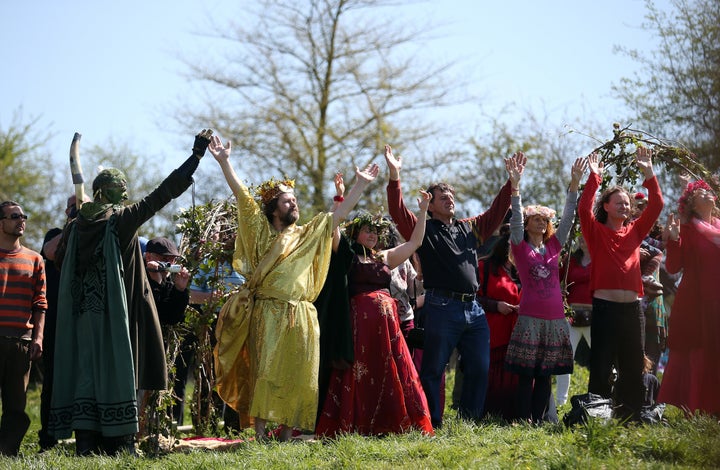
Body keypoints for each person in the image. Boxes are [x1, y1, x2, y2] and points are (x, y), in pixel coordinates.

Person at [49, 129, 213, 455]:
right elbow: (162, 194)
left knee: (87, 376)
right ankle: (122, 446)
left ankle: (85, 447)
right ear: (117, 193)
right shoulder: (121, 220)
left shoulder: (75, 227)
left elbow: (57, 258)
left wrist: (74, 219)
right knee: (119, 373)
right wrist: (195, 157)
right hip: (115, 314)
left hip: (82, 316)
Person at [209, 135, 379, 441]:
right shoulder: (260, 232)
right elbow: (242, 196)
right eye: (288, 200)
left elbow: (338, 216)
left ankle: (287, 434)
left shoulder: (307, 234)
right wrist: (224, 161)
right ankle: (260, 435)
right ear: (274, 208)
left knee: (300, 375)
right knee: (266, 372)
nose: (294, 203)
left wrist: (361, 185)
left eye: (295, 199)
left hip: (302, 313)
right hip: (268, 312)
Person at [385, 144, 526, 427]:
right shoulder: (423, 228)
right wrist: (394, 177)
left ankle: (469, 421)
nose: (449, 199)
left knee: (478, 368)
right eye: (442, 197)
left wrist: (512, 183)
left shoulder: (468, 227)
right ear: (431, 204)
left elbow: (496, 212)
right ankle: (431, 423)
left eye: (451, 195)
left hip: (473, 310)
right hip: (441, 306)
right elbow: (397, 210)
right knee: (434, 369)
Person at [315, 190, 434, 437]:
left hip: (388, 328)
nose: (372, 234)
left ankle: (392, 422)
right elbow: (332, 226)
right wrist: (339, 199)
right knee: (361, 372)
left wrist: (423, 211)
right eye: (367, 230)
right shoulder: (347, 255)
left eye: (375, 231)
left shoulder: (385, 257)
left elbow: (415, 243)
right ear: (356, 233)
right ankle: (358, 422)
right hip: (359, 327)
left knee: (391, 371)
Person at [578, 148, 663, 422]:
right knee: (601, 363)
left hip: (632, 310)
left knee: (633, 364)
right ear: (606, 206)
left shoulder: (636, 231)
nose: (624, 206)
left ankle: (632, 415)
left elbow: (657, 204)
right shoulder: (595, 231)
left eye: (627, 203)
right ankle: (599, 415)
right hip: (604, 309)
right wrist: (595, 178)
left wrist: (648, 172)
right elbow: (582, 207)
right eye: (618, 202)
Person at [505, 157, 585, 423]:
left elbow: (569, 218)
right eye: (535, 219)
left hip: (555, 320)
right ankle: (520, 418)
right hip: (530, 318)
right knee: (526, 373)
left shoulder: (554, 247)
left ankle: (538, 420)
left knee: (545, 373)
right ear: (527, 224)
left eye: (543, 220)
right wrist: (515, 188)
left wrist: (574, 184)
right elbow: (515, 217)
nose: (540, 223)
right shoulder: (519, 245)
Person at [658, 180, 720, 416]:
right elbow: (673, 267)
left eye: (708, 190)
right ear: (692, 204)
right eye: (700, 192)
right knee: (699, 351)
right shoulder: (688, 229)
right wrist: (673, 240)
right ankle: (694, 409)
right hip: (697, 303)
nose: (707, 193)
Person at [36, 195, 89, 452]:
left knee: (85, 382)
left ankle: (85, 441)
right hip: (55, 321)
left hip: (86, 320)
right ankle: (47, 440)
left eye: (84, 207)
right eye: (74, 207)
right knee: (53, 382)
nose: (78, 211)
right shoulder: (57, 233)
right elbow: (51, 251)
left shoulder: (94, 236)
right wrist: (73, 222)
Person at [0, 201, 47, 457]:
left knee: (16, 406)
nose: (21, 220)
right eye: (14, 216)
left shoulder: (35, 259)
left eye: (23, 216)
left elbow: (40, 303)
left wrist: (38, 337)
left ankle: (8, 454)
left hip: (21, 342)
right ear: (1, 223)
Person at [475, 228, 521, 420]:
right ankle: (488, 413)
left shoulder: (527, 270)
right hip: (493, 332)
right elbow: (473, 297)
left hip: (519, 334)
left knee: (516, 376)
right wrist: (496, 305)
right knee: (492, 374)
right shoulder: (484, 266)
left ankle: (514, 413)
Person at [555, 235, 592, 406]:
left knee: (602, 358)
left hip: (595, 317)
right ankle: (561, 402)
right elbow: (556, 280)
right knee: (564, 359)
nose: (584, 239)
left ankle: (604, 396)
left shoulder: (600, 258)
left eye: (588, 235)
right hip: (571, 317)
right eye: (581, 236)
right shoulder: (570, 259)